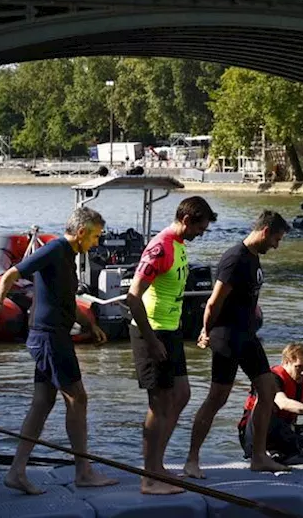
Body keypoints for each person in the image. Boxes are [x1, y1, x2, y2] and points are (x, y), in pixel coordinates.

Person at [0, 203, 116, 494]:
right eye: (96, 236)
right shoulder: (55, 249)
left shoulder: (67, 256)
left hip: (50, 335)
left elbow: (64, 300)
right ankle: (83, 471)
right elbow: (11, 274)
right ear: (82, 232)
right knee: (78, 398)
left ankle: (16, 471)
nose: (97, 242)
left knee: (42, 402)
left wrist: (89, 325)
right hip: (49, 337)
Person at [184, 211, 291, 478]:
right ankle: (191, 460)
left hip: (247, 335)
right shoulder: (235, 258)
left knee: (268, 391)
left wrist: (254, 312)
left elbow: (248, 295)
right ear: (265, 231)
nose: (277, 246)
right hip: (227, 336)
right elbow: (213, 302)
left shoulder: (254, 258)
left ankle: (258, 456)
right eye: (276, 239)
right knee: (217, 398)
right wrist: (205, 332)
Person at [124, 196, 216, 495]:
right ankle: (148, 477)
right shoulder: (160, 247)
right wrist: (151, 341)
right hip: (152, 332)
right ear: (187, 220)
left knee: (182, 394)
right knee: (159, 403)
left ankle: (157, 465)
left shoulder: (179, 245)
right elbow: (133, 296)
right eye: (200, 227)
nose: (201, 233)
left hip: (171, 331)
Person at [236, 342, 303, 466]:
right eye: (299, 367)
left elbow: (298, 409)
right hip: (255, 435)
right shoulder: (272, 378)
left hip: (283, 433)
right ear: (286, 362)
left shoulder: (298, 381)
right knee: (269, 419)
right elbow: (283, 403)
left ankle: (283, 455)